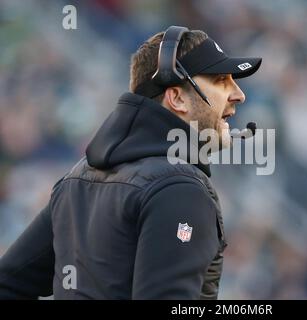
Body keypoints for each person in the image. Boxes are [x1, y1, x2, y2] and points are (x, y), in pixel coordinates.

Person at [0, 27, 262, 299]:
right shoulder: (179, 188)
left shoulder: (76, 179)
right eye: (220, 80)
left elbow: (8, 284)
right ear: (177, 98)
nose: (239, 94)